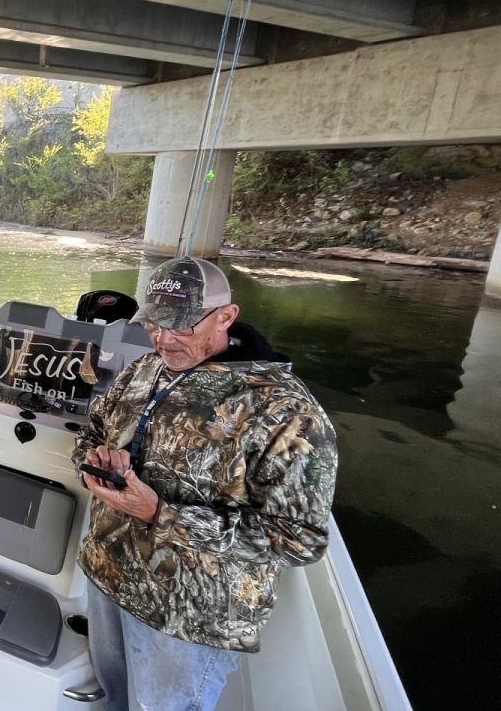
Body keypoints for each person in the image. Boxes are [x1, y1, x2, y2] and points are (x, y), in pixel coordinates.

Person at [72, 255, 338, 711]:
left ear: (226, 316)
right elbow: (92, 433)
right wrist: (93, 461)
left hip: (187, 621)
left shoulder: (286, 411)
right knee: (113, 700)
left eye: (181, 326)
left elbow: (299, 541)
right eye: (153, 324)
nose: (164, 339)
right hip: (108, 578)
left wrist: (161, 514)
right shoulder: (146, 367)